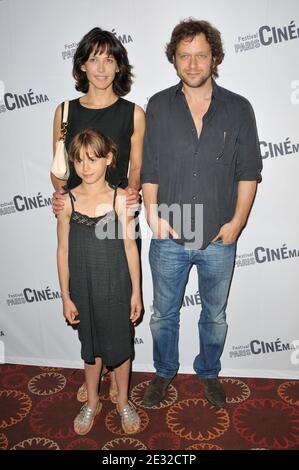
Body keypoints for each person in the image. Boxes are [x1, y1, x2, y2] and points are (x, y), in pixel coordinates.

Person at [141, 19, 262, 408]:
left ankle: (208, 372)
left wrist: (237, 223)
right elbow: (150, 168)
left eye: (201, 56)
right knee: (163, 315)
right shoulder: (158, 105)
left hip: (217, 239)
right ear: (174, 60)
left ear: (215, 59)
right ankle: (163, 372)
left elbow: (249, 171)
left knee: (214, 316)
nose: (192, 64)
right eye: (184, 56)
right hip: (169, 236)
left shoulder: (239, 108)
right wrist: (152, 215)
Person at [51, 27, 145, 403]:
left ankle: (116, 383)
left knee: (116, 302)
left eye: (109, 59)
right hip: (76, 217)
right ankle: (95, 375)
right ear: (82, 65)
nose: (102, 68)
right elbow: (58, 168)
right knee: (87, 298)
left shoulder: (134, 113)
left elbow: (135, 168)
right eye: (94, 59)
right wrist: (59, 196)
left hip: (117, 216)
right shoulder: (64, 111)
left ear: (119, 65)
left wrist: (132, 194)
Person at [57, 128, 142, 435]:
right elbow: (63, 250)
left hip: (117, 288)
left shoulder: (121, 199)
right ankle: (92, 401)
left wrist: (136, 293)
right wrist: (65, 296)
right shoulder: (67, 202)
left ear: (109, 159)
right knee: (90, 350)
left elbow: (131, 247)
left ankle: (123, 401)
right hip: (84, 290)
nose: (86, 167)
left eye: (93, 159)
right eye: (79, 160)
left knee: (120, 349)